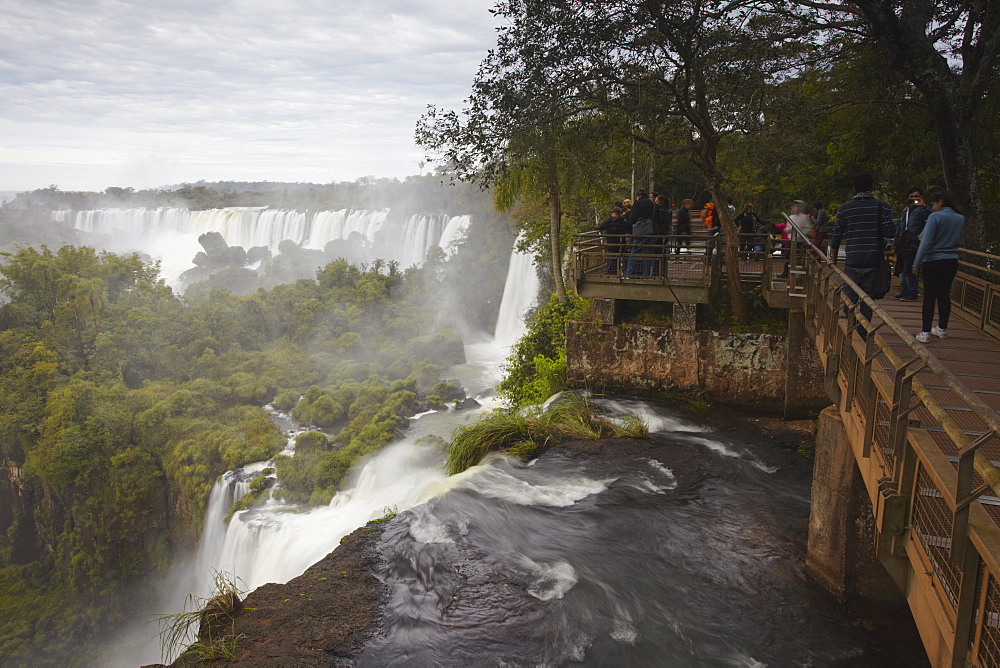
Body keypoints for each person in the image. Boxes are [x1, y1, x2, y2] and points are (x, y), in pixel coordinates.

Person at [828, 173, 895, 331]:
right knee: (867, 300)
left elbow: (836, 236)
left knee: (850, 298)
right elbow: (889, 232)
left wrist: (833, 259)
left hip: (853, 260)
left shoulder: (845, 209)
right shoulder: (883, 206)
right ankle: (863, 334)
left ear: (854, 188)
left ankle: (849, 331)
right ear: (872, 187)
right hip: (873, 260)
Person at [912, 191, 964, 343]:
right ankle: (942, 329)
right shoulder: (960, 218)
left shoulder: (935, 217)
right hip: (951, 261)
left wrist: (916, 263)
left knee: (929, 296)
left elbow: (926, 242)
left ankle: (925, 332)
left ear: (940, 202)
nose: (933, 207)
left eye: (934, 204)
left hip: (933, 261)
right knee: (944, 295)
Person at [893, 188, 930, 301]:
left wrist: (923, 205)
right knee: (903, 266)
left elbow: (931, 218)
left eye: (916, 197)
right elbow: (902, 226)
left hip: (914, 242)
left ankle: (912, 292)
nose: (914, 199)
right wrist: (896, 240)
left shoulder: (922, 210)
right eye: (912, 197)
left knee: (910, 267)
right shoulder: (906, 210)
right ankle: (905, 290)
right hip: (904, 241)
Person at [626, 189, 664, 276]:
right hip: (652, 232)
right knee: (649, 254)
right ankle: (646, 275)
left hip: (640, 232)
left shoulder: (637, 204)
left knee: (634, 252)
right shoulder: (654, 205)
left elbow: (632, 219)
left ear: (639, 195)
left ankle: (629, 273)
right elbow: (659, 220)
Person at [597, 206, 629, 275]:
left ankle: (616, 272)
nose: (615, 216)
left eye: (617, 214)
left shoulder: (622, 222)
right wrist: (599, 227)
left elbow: (628, 228)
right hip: (612, 243)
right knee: (612, 259)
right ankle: (611, 272)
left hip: (619, 243)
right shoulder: (610, 221)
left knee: (616, 258)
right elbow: (602, 227)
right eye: (614, 214)